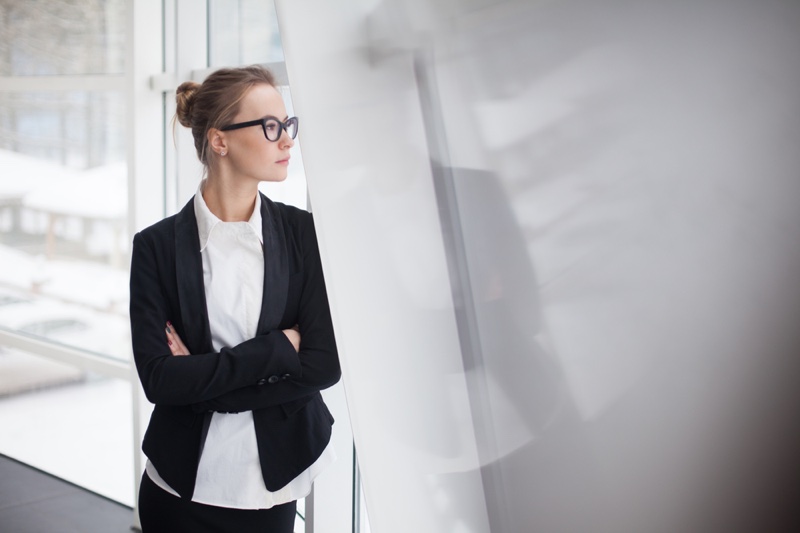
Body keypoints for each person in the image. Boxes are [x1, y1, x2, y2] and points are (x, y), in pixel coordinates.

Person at [129, 65, 340, 532]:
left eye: (288, 126)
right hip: (179, 487)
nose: (287, 140)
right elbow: (160, 381)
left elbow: (324, 365)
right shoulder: (156, 247)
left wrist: (207, 387)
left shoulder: (305, 235)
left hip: (274, 482)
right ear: (220, 141)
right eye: (270, 127)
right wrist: (278, 349)